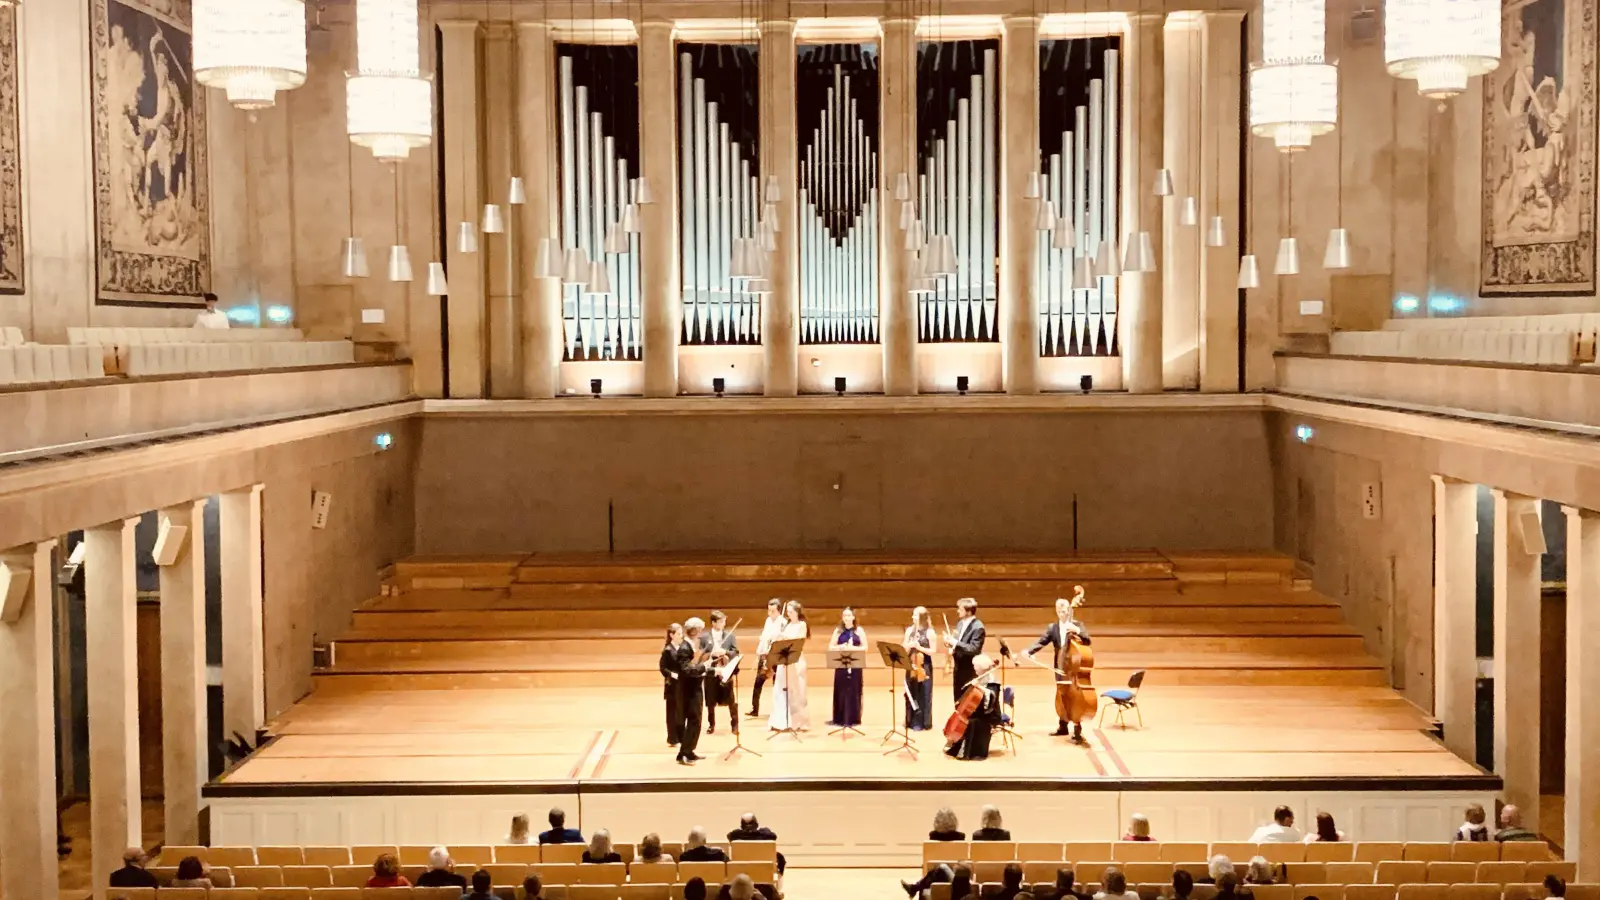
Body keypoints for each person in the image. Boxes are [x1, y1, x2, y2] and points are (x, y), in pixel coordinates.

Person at [1025, 590, 1094, 743]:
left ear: (1069, 610)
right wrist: (1029, 651)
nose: (1063, 613)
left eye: (1065, 611)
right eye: (1060, 611)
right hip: (1060, 666)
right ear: (1056, 611)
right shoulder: (1053, 628)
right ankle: (1063, 726)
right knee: (1062, 695)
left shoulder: (1077, 625)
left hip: (1074, 668)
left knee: (1075, 696)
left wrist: (1077, 631)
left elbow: (1088, 640)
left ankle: (1077, 728)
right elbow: (1041, 641)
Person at [945, 654, 1003, 761]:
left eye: (976, 666)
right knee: (969, 718)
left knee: (971, 721)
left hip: (990, 713)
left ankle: (972, 752)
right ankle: (957, 747)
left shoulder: (993, 681)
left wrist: (978, 686)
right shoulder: (981, 677)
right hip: (981, 710)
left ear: (982, 667)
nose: (974, 668)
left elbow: (992, 697)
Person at [768, 600, 810, 732]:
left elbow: (798, 640)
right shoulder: (786, 625)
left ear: (797, 612)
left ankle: (798, 722)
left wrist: (783, 635)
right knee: (780, 689)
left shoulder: (802, 625)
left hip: (795, 660)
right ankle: (781, 721)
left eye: (791, 612)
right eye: (787, 612)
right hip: (784, 661)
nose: (788, 614)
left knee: (797, 691)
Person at [675, 618, 711, 765]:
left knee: (695, 721)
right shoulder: (684, 648)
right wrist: (704, 666)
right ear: (695, 631)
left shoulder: (690, 646)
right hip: (689, 691)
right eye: (700, 630)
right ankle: (684, 753)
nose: (701, 633)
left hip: (694, 688)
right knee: (693, 721)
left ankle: (688, 751)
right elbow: (686, 670)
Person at [701, 610, 739, 734]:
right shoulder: (705, 637)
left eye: (724, 621)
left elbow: (735, 652)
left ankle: (735, 724)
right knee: (710, 700)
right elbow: (700, 654)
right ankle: (711, 724)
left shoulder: (730, 636)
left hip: (725, 670)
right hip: (711, 671)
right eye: (721, 622)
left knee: (731, 699)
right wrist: (711, 654)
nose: (724, 624)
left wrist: (725, 652)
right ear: (713, 623)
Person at [827, 607, 866, 727]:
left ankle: (853, 718)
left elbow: (865, 647)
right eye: (844, 616)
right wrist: (840, 647)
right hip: (841, 664)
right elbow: (831, 647)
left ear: (853, 617)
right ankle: (840, 718)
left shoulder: (859, 630)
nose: (846, 618)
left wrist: (853, 648)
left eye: (849, 615)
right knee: (841, 690)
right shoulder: (838, 630)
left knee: (854, 690)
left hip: (855, 664)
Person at [748, 599, 785, 718]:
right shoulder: (768, 621)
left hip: (776, 657)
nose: (770, 613)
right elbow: (763, 638)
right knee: (758, 682)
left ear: (779, 611)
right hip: (764, 656)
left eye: (773, 611)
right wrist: (759, 653)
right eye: (769, 610)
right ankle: (755, 709)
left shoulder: (783, 623)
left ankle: (778, 710)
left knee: (777, 684)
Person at [945, 598, 987, 702]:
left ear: (968, 612)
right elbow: (958, 642)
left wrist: (955, 643)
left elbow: (974, 649)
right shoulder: (960, 623)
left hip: (970, 671)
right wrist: (950, 643)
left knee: (967, 702)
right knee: (958, 701)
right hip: (959, 669)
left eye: (960, 609)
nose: (958, 611)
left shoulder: (978, 627)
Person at [904, 607, 939, 730]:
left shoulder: (930, 632)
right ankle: (910, 720)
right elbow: (904, 648)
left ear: (922, 618)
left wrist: (919, 647)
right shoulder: (909, 630)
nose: (912, 617)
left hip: (924, 666)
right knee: (910, 692)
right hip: (910, 664)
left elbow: (933, 651)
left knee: (923, 693)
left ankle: (923, 722)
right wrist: (909, 645)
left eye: (915, 615)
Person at [662, 623, 685, 746]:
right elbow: (663, 668)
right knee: (672, 713)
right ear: (671, 635)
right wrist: (672, 674)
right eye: (679, 634)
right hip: (672, 685)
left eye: (682, 633)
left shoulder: (682, 648)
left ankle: (681, 736)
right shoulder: (667, 650)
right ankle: (672, 738)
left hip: (682, 684)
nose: (681, 636)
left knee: (681, 711)